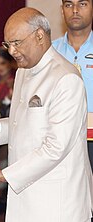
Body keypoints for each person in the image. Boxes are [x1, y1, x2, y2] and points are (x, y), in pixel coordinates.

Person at [0, 7, 93, 222]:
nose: (11, 51)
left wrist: (4, 175)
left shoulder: (65, 78)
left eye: (16, 43)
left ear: (39, 36)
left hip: (57, 201)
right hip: (26, 195)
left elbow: (56, 147)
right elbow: (28, 123)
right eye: (7, 44)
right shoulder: (23, 71)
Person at [52, 0, 93, 173]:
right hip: (60, 140)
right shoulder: (50, 51)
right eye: (69, 5)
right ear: (62, 11)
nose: (75, 10)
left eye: (82, 4)